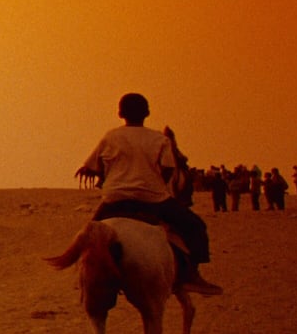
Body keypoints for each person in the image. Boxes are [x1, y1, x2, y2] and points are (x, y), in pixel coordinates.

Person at [74, 93, 222, 295]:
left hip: (116, 200)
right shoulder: (159, 139)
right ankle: (192, 275)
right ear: (147, 113)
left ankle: (86, 276)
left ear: (120, 113)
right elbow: (169, 168)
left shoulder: (111, 137)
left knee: (88, 237)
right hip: (153, 199)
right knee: (195, 226)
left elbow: (93, 166)